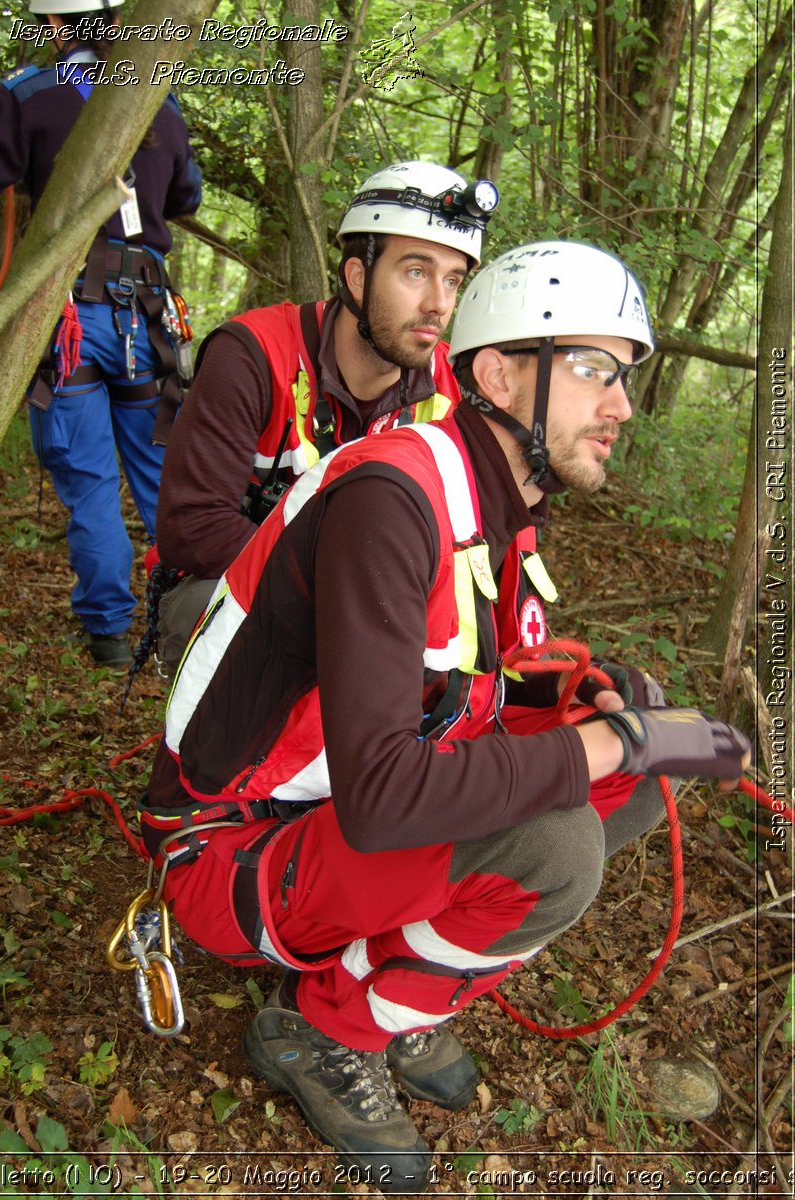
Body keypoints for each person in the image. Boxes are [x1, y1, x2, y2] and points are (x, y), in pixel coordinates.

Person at [139, 240, 750, 1192]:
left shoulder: (499, 503)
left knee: (640, 767)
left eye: (625, 376)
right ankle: (325, 1026)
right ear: (500, 374)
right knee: (559, 844)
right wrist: (601, 740)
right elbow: (386, 795)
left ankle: (377, 987)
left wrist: (596, 705)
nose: (621, 406)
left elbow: (464, 688)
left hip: (329, 802)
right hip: (230, 846)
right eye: (593, 370)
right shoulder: (395, 496)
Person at [152, 160, 499, 675]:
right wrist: (350, 592)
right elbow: (193, 529)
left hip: (385, 610)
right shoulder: (254, 355)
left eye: (452, 280)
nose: (438, 304)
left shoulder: (453, 392)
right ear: (357, 277)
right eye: (417, 272)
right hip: (245, 592)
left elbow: (480, 547)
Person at [0, 0, 202, 666]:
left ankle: (111, 635)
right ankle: (190, 624)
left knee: (88, 482)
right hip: (147, 316)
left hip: (70, 320)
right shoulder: (159, 104)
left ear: (57, 26)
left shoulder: (27, 94)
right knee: (160, 478)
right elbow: (184, 198)